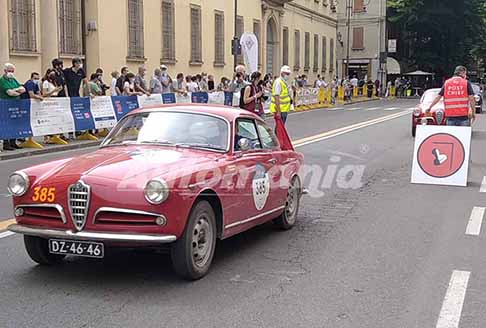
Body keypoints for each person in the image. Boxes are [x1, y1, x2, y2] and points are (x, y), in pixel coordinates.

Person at [0, 63, 25, 150]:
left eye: (12, 71)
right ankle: (6, 144)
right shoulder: (2, 80)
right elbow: (10, 93)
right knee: (7, 124)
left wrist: (16, 90)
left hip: (15, 104)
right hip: (6, 105)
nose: (11, 72)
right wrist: (17, 91)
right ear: (5, 71)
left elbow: (23, 89)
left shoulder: (13, 80)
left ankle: (13, 142)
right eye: (9, 71)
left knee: (14, 123)